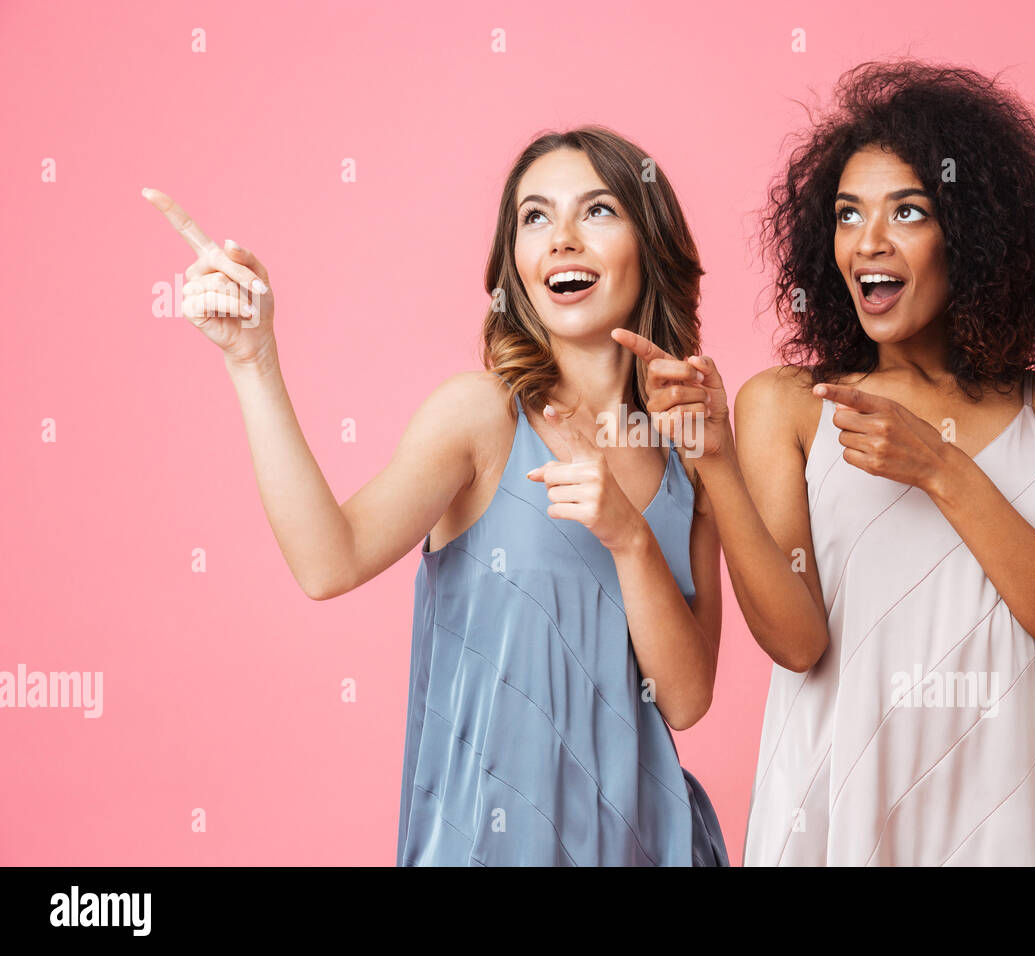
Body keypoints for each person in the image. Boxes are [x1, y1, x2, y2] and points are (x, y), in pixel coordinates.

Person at [142, 123, 729, 867]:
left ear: (650, 244)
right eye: (535, 217)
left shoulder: (690, 448)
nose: (561, 239)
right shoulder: (482, 416)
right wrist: (254, 361)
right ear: (513, 264)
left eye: (598, 211)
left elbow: (686, 700)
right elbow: (331, 561)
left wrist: (631, 537)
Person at [619, 59, 1035, 865]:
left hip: (1012, 816)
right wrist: (713, 460)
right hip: (839, 810)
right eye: (848, 214)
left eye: (908, 212)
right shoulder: (788, 404)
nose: (868, 242)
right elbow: (796, 644)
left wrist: (944, 472)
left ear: (978, 235)